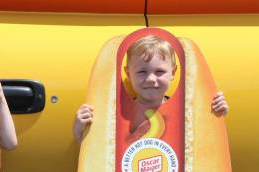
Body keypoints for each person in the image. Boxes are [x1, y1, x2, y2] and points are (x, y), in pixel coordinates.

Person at [73, 35, 229, 144]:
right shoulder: (118, 114)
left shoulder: (186, 112)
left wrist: (217, 113)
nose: (151, 79)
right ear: (128, 73)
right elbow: (97, 154)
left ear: (173, 73)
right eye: (142, 72)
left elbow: (204, 145)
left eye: (159, 72)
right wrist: (79, 129)